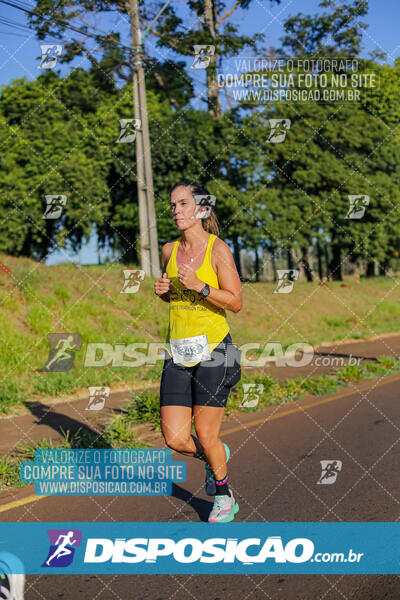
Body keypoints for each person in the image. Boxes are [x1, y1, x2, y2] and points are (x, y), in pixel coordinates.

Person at [154, 179, 243, 523]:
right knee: (175, 438)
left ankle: (224, 495)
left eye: (183, 204)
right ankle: (213, 456)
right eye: (173, 205)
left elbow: (235, 302)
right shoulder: (168, 251)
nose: (176, 210)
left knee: (207, 434)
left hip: (216, 352)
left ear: (201, 209)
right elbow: (173, 296)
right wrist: (164, 291)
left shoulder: (217, 250)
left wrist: (202, 286)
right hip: (179, 352)